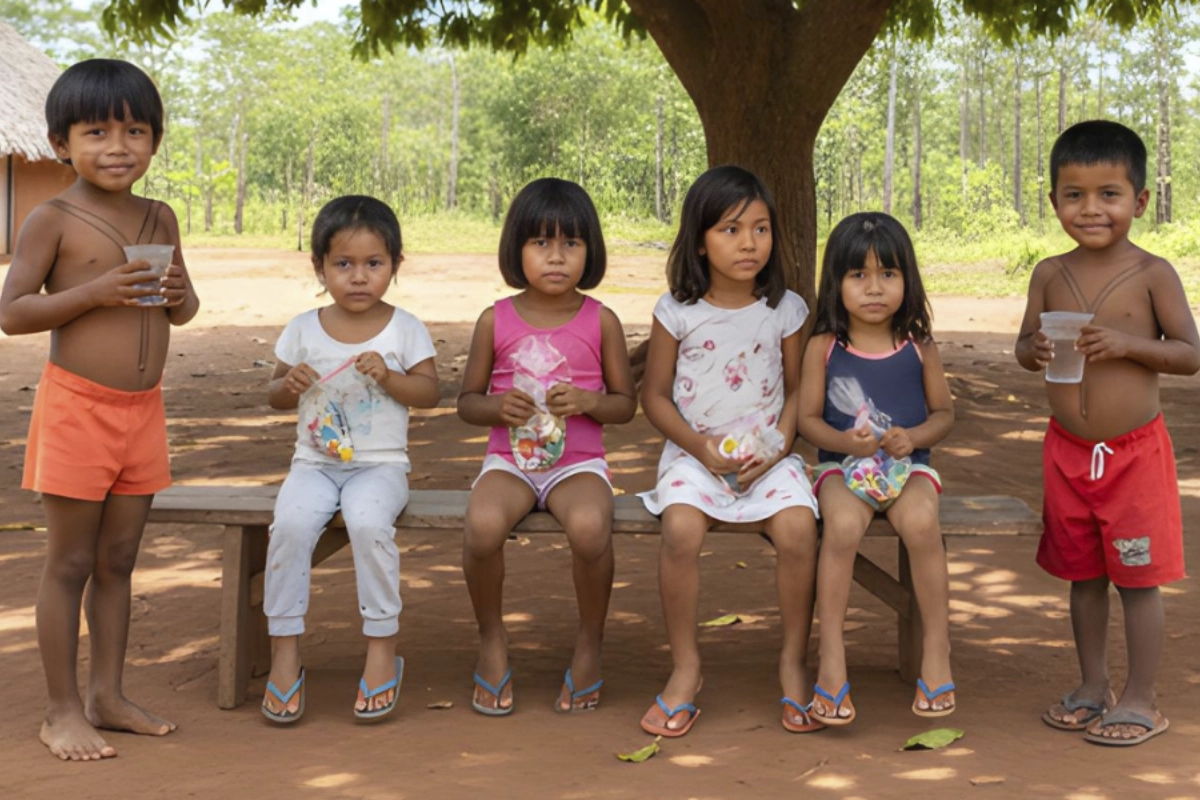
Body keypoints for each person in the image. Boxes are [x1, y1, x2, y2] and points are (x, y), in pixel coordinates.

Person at [0, 59, 199, 761]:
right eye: (96, 131)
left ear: (155, 140)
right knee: (70, 562)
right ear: (59, 143)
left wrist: (175, 288)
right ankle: (60, 711)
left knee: (119, 559)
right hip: (77, 409)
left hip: (142, 411)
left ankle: (107, 695)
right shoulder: (50, 218)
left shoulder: (160, 216)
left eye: (135, 131)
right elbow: (13, 312)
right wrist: (94, 292)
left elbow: (186, 308)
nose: (118, 146)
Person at [1016, 120, 1199, 746]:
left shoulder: (1154, 274)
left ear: (1139, 201)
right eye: (1074, 194)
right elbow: (1022, 346)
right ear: (1054, 201)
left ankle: (1141, 698)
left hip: (1133, 456)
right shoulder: (1047, 272)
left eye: (1109, 194)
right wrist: (1033, 347)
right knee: (1084, 575)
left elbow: (1188, 353)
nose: (1090, 208)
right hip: (1066, 453)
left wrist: (1128, 344)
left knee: (1136, 579)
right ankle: (1093, 686)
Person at [638, 165, 820, 737]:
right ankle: (686, 667)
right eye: (731, 229)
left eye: (761, 229)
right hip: (693, 456)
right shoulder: (677, 310)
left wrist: (779, 446)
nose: (749, 243)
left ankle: (792, 661)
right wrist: (698, 446)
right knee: (682, 531)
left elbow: (795, 391)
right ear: (699, 240)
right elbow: (655, 396)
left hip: (769, 457)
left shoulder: (785, 308)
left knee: (796, 528)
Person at [457, 177, 636, 716]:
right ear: (517, 249)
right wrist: (496, 407)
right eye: (541, 243)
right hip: (509, 461)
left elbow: (625, 404)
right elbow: (466, 401)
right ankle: (491, 638)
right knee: (482, 526)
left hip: (577, 463)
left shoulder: (600, 321)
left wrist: (588, 400)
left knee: (588, 529)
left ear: (590, 251)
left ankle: (589, 641)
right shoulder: (496, 319)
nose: (556, 257)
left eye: (571, 244)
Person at [260, 195, 439, 724]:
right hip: (313, 465)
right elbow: (273, 393)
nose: (358, 277)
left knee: (367, 524)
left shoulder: (405, 329)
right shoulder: (302, 328)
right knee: (289, 525)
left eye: (373, 264)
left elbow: (429, 393)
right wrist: (285, 385)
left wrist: (390, 376)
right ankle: (284, 651)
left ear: (395, 266)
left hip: (381, 466)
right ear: (320, 267)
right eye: (343, 264)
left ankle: (382, 648)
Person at [797, 212, 956, 726]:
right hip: (843, 470)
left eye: (887, 274)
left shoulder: (919, 346)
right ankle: (833, 655)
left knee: (920, 522)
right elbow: (806, 420)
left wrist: (912, 439)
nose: (874, 288)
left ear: (906, 279)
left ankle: (936, 647)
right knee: (841, 526)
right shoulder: (823, 347)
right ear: (835, 282)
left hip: (909, 469)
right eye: (858, 275)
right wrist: (846, 443)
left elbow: (944, 414)